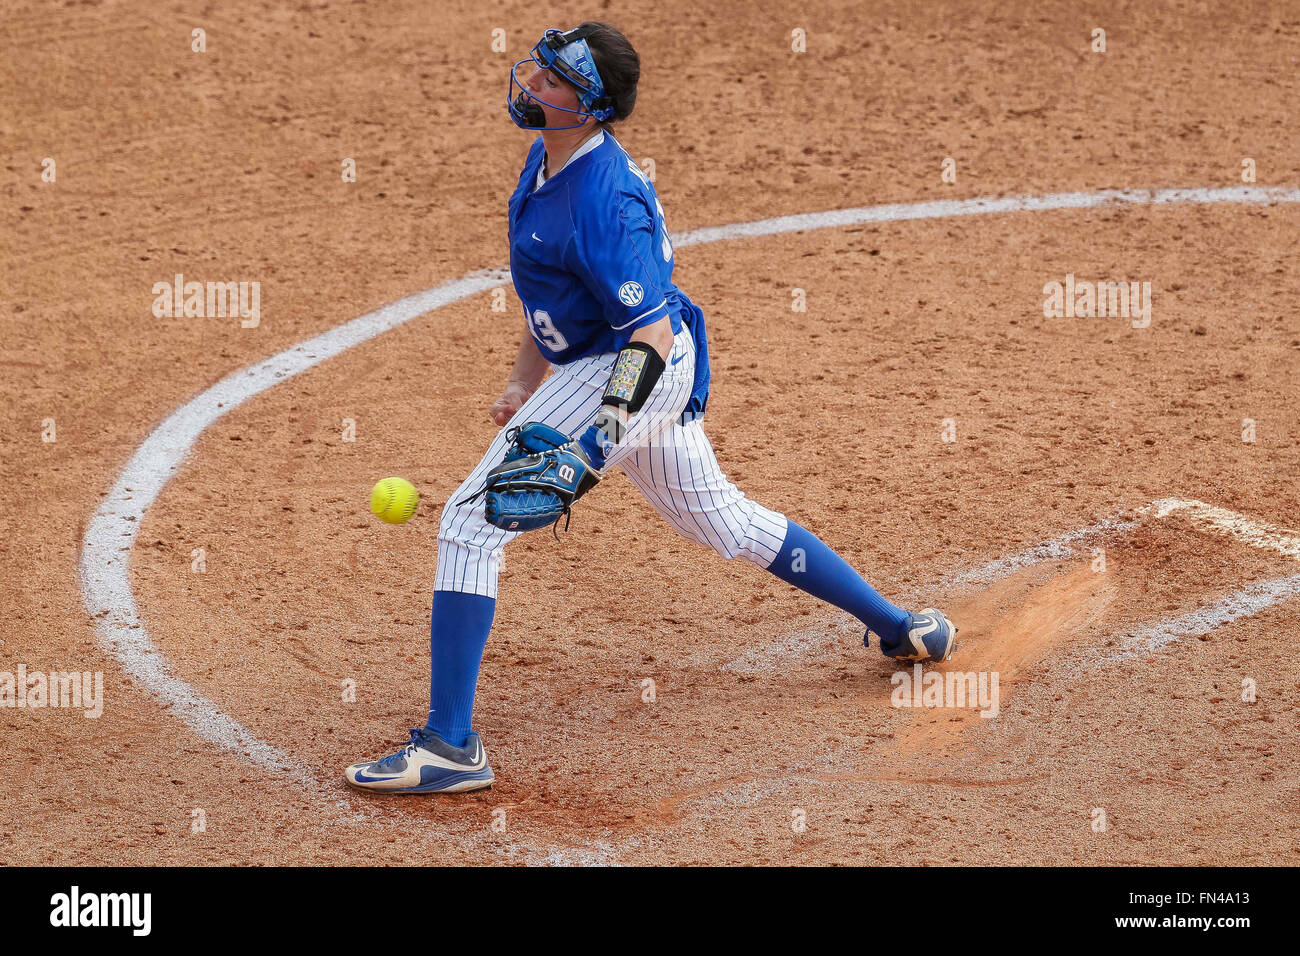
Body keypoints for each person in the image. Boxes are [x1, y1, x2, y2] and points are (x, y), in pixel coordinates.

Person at [345, 22, 957, 794]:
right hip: (614, 366)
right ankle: (902, 629)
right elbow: (555, 300)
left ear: (592, 107)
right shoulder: (548, 158)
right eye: (538, 68)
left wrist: (600, 432)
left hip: (634, 371)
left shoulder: (604, 197)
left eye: (553, 80)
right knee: (726, 523)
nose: (532, 83)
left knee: (469, 521)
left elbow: (649, 332)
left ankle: (451, 746)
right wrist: (520, 382)